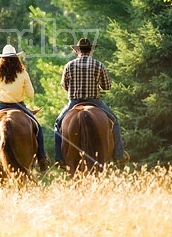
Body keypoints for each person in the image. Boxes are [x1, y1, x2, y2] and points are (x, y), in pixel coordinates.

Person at [54, 38, 129, 167]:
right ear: (90, 50)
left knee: (57, 124)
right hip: (94, 101)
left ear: (78, 51)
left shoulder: (69, 65)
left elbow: (64, 85)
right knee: (115, 121)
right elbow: (107, 86)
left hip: (74, 102)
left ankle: (59, 158)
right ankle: (119, 155)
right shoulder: (98, 65)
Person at [0, 44, 50, 173]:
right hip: (19, 105)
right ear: (16, 58)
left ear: (2, 59)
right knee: (38, 128)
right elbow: (31, 94)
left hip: (1, 105)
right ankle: (42, 158)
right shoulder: (23, 73)